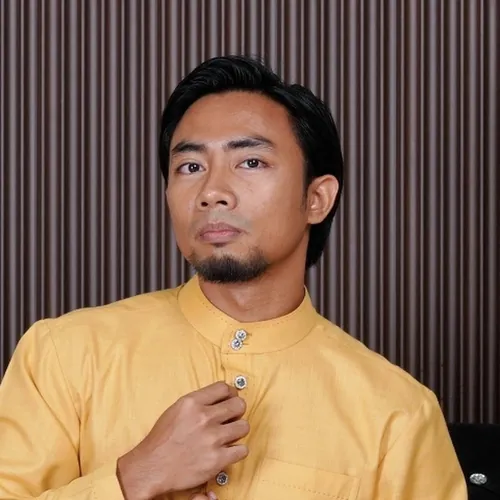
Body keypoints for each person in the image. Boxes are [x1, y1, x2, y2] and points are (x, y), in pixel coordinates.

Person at [0, 55, 466, 500]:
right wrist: (133, 478)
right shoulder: (65, 356)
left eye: (250, 162)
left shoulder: (397, 414)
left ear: (316, 199)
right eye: (190, 167)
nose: (212, 192)